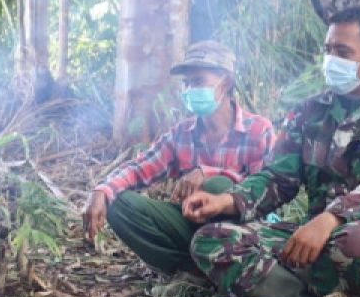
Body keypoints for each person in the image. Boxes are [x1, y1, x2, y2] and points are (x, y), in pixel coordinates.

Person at [183, 7, 360, 297]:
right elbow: (278, 176)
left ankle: (290, 284)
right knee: (211, 240)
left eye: (343, 51)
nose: (331, 60)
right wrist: (226, 200)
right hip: (315, 237)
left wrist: (332, 218)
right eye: (328, 50)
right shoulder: (311, 111)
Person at [82, 41, 275, 276]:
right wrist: (101, 190)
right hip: (192, 227)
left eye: (198, 81)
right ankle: (190, 271)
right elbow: (139, 169)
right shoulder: (181, 135)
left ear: (226, 83)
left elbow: (266, 191)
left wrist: (210, 173)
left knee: (216, 186)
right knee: (119, 203)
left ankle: (232, 266)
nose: (190, 90)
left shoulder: (258, 130)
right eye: (187, 83)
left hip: (244, 234)